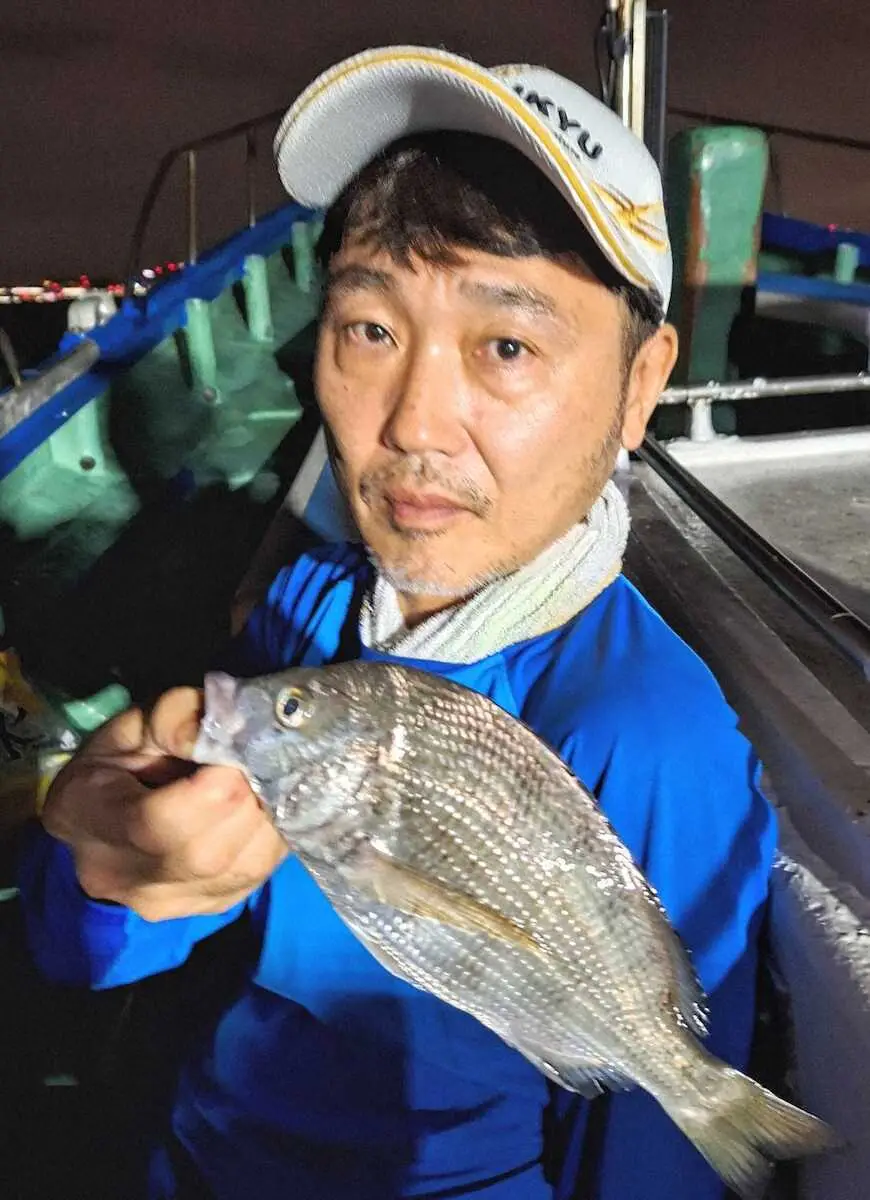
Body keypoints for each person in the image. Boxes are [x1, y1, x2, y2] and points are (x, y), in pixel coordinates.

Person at [17, 45, 776, 1200]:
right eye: (369, 330)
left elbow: (650, 1155)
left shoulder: (648, 736)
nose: (415, 420)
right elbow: (84, 952)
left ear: (640, 384)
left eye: (507, 347)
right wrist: (103, 868)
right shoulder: (305, 606)